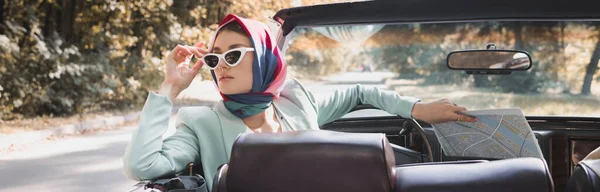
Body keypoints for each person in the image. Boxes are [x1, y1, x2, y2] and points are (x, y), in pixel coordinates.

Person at [122, 14, 477, 190]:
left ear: (264, 57)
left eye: (233, 55)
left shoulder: (297, 101)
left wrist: (416, 109)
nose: (221, 67)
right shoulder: (200, 124)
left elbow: (358, 92)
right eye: (214, 59)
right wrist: (169, 88)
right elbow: (143, 166)